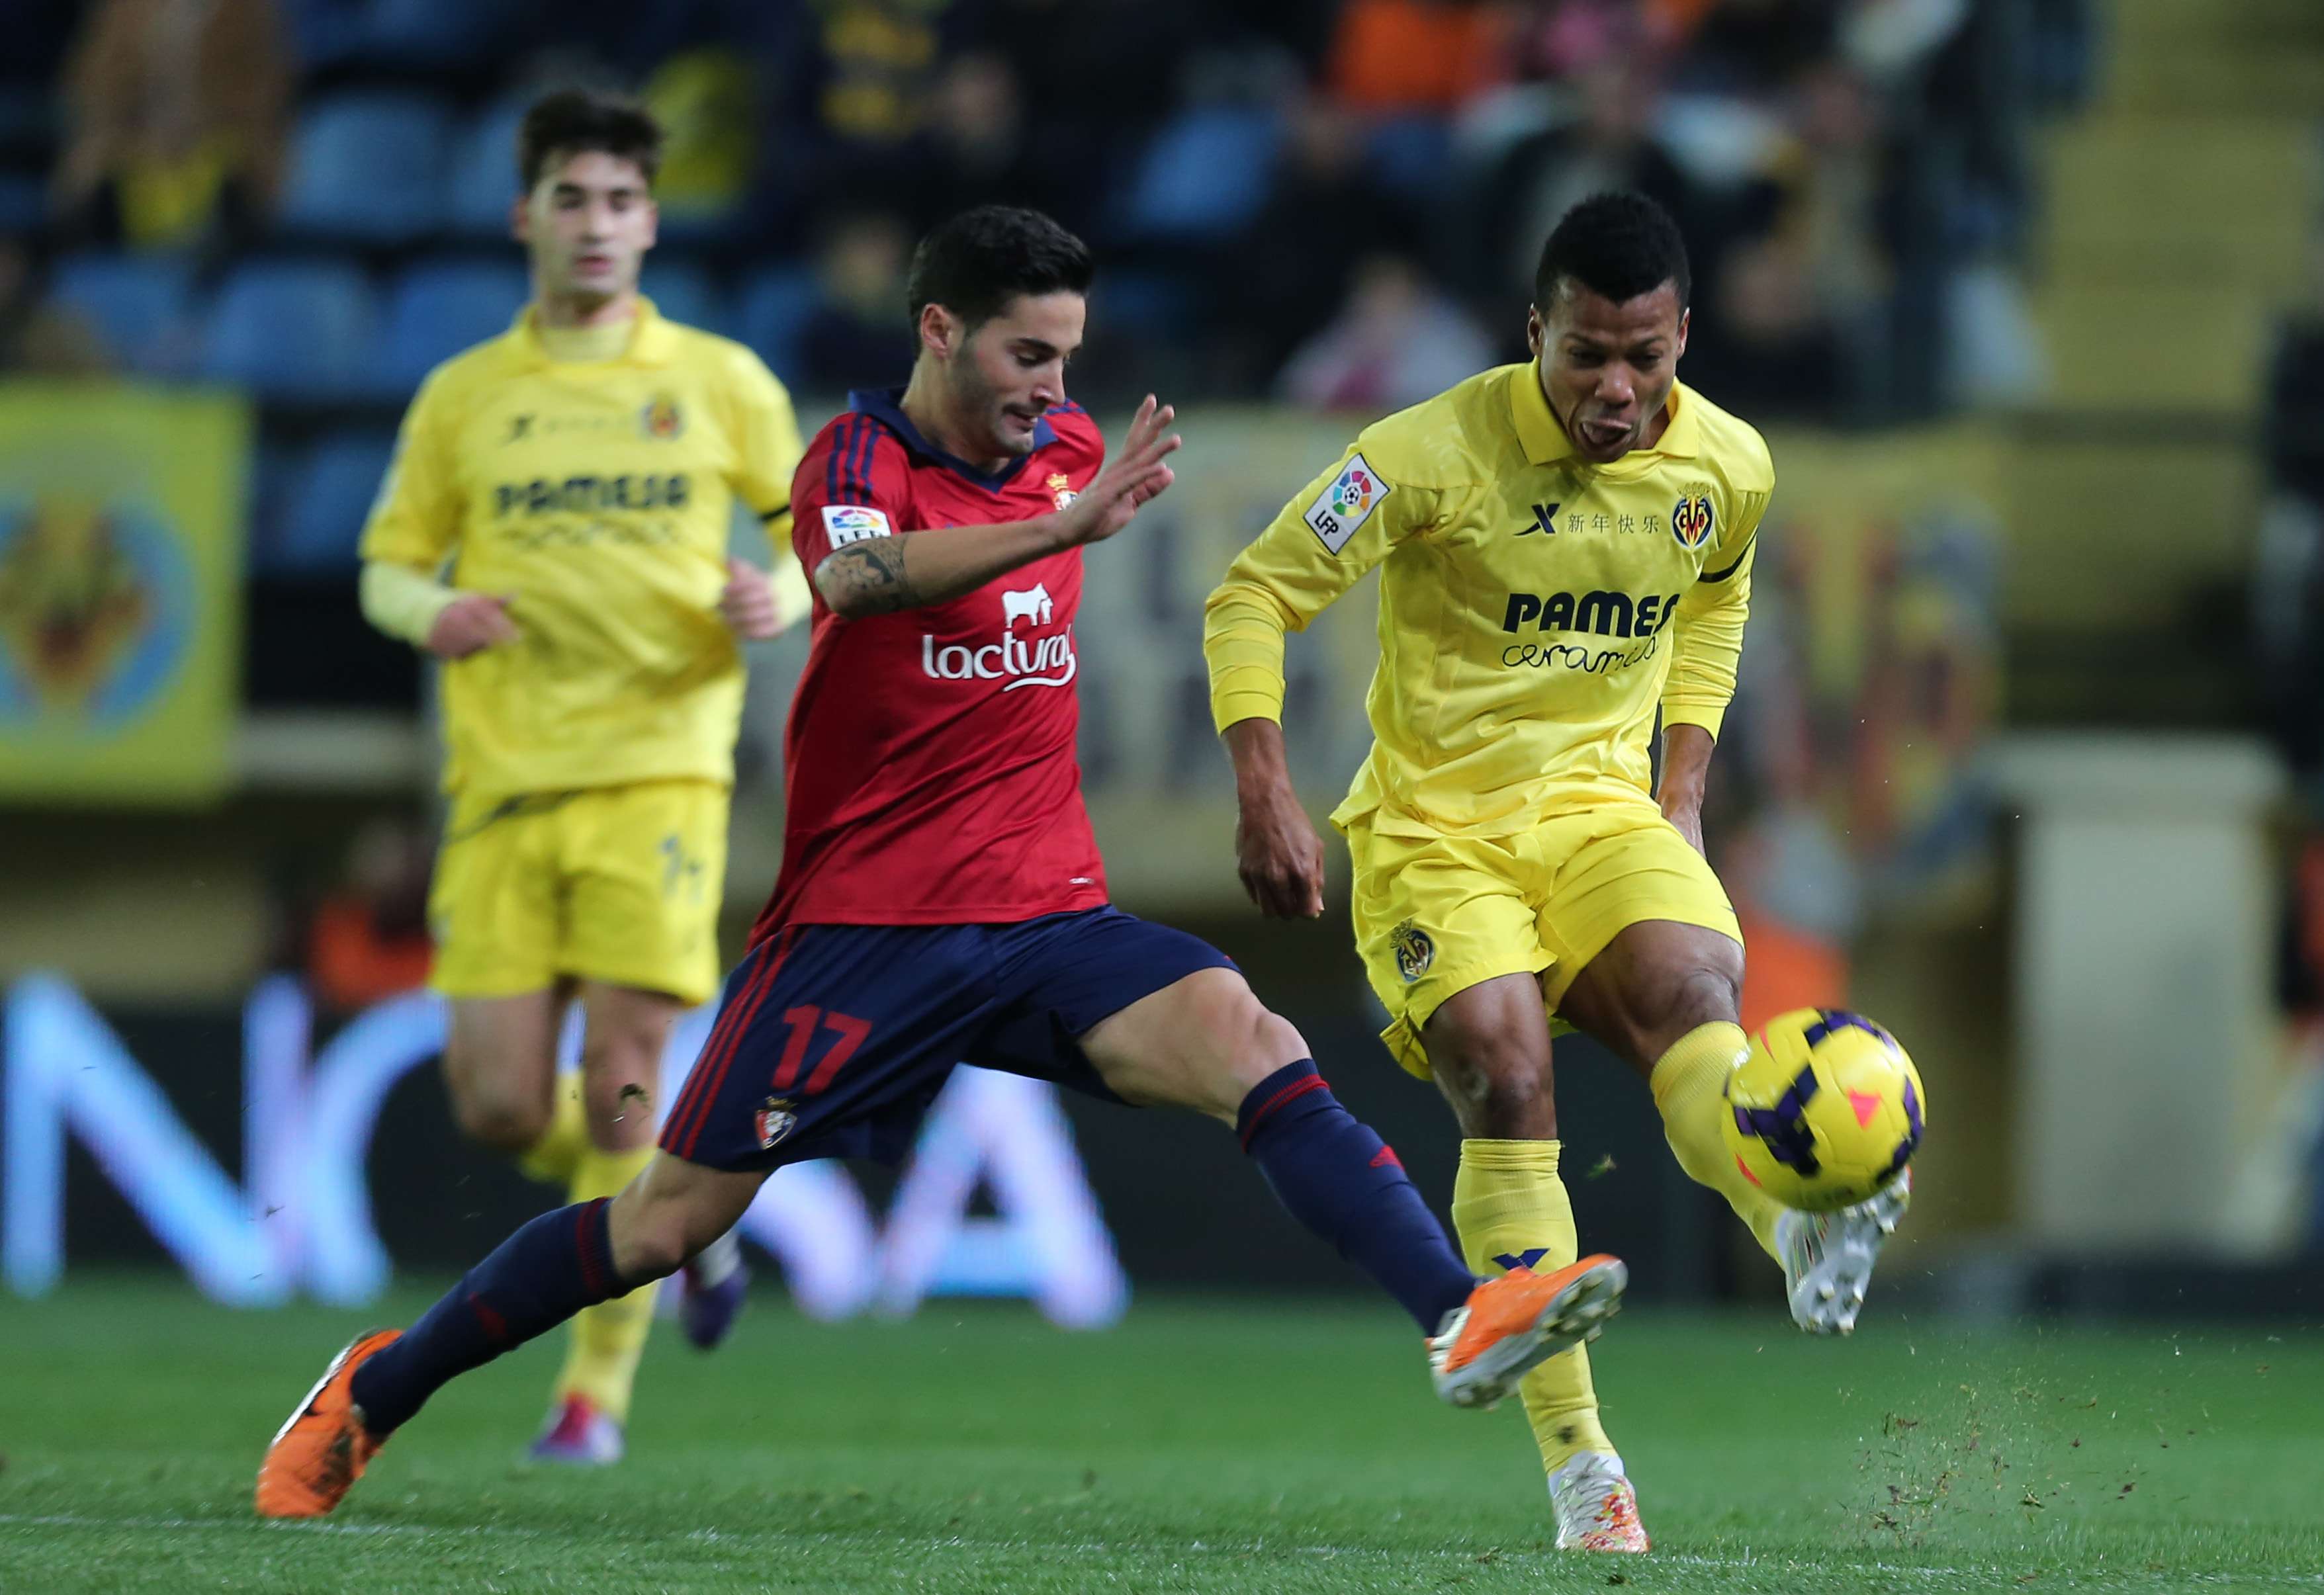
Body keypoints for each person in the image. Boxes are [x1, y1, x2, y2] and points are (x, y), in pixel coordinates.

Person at [257, 204, 1628, 1524]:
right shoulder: (853, 462)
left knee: (1248, 1035)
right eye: (1026, 353)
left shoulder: (1068, 449)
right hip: (865, 932)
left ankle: (1457, 1316)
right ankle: (374, 1390)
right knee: (663, 1225)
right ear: (938, 331)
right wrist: (1060, 528)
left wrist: (1070, 514)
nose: (1053, 386)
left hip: (1045, 918)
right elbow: (855, 585)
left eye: (1068, 357)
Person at [1202, 191, 1911, 1553]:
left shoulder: (1727, 466)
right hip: (1432, 830)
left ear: (1681, 337)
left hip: (1598, 812)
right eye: (1584, 352)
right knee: (1501, 1062)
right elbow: (1252, 592)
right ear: (1534, 330)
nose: (1614, 387)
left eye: (1644, 356)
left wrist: (1683, 793)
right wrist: (1262, 787)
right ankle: (1585, 1470)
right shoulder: (1420, 454)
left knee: (1695, 994)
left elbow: (1714, 602)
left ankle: (1788, 1227)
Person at [346, 88, 806, 1467]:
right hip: (498, 781)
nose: (594, 224)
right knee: (494, 1104)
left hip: (656, 776)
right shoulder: (466, 397)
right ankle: (692, 1231)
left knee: (619, 1078)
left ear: (650, 223)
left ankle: (589, 1402)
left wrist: (780, 588)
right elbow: (382, 565)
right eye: (569, 199)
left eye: (618, 201)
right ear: (523, 217)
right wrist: (431, 613)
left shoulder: (716, 379)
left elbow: (819, 531)